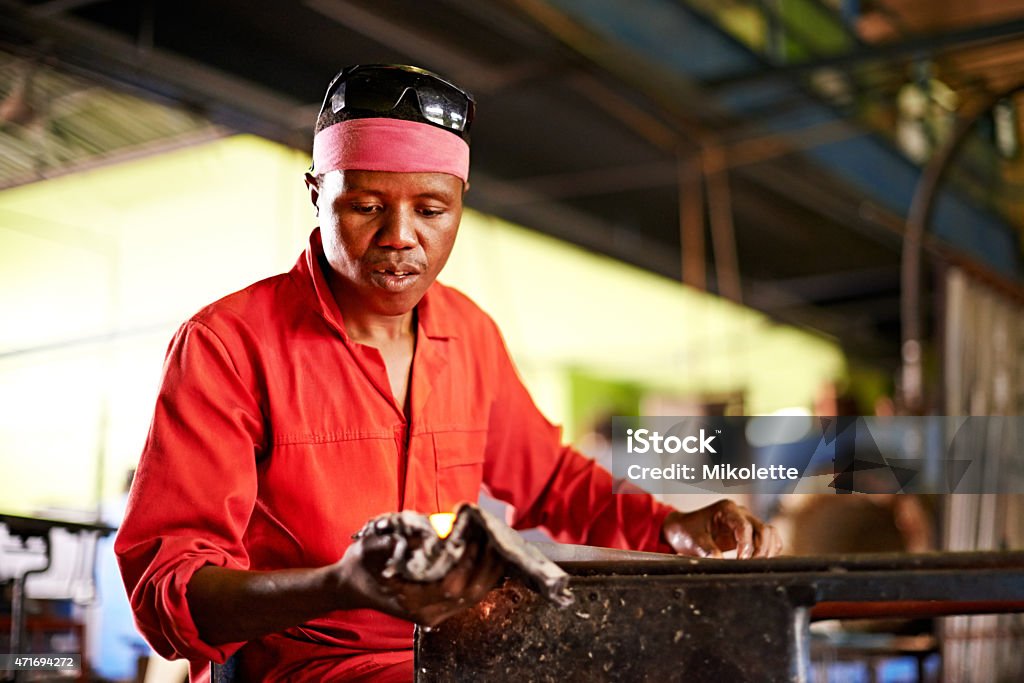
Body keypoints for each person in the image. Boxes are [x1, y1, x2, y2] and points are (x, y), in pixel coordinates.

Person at [115, 64, 782, 682]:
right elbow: (169, 591)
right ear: (317, 194)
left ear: (460, 202)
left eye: (431, 210)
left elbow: (551, 478)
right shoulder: (228, 344)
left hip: (457, 656)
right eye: (366, 206)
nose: (401, 235)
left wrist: (671, 526)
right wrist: (341, 583)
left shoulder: (468, 334)